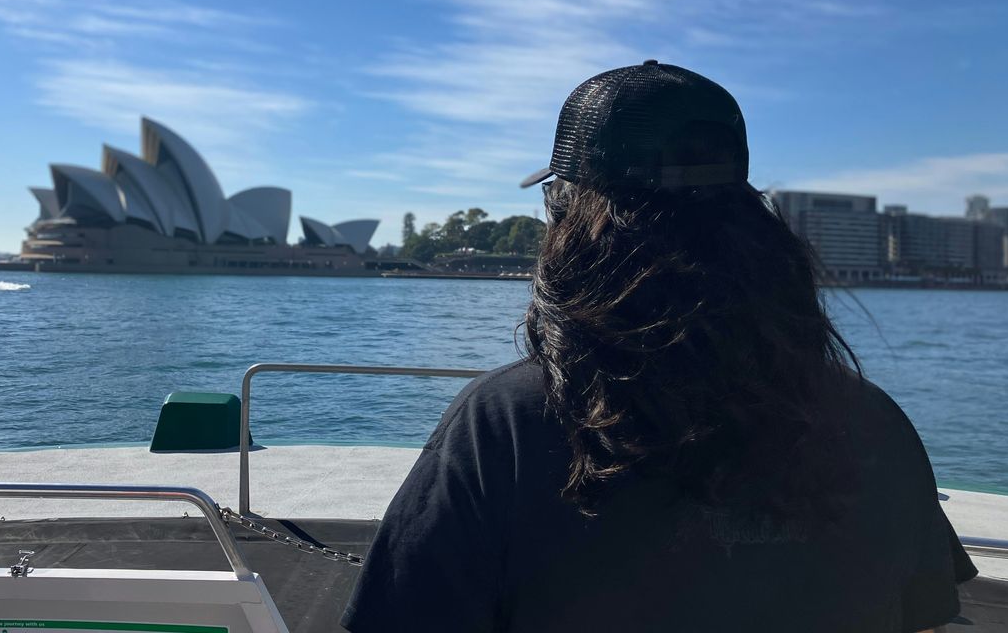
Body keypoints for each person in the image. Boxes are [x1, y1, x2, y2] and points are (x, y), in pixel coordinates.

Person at [341, 61, 976, 632]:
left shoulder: (505, 423)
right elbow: (921, 619)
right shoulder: (871, 419)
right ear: (752, 225)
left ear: (572, 219)